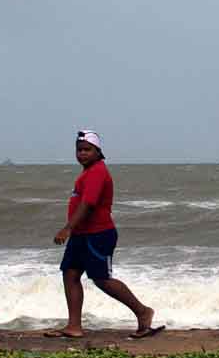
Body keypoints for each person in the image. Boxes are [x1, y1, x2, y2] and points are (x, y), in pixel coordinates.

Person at [45, 130, 162, 339]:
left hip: (97, 234)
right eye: (79, 150)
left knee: (101, 279)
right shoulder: (87, 172)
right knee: (70, 274)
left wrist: (67, 228)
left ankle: (143, 312)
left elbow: (88, 204)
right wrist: (73, 230)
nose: (82, 154)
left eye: (87, 150)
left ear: (98, 152)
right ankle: (73, 326)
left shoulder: (98, 171)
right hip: (81, 235)